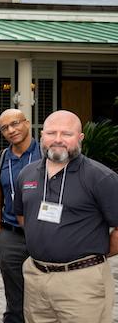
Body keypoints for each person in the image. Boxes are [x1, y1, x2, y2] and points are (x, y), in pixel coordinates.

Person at [15, 110, 118, 323]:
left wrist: (95, 254)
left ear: (80, 138)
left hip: (81, 283)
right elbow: (23, 217)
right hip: (36, 279)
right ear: (42, 135)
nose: (58, 139)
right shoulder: (27, 174)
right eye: (52, 133)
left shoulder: (100, 177)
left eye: (67, 134)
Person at [0, 109, 41, 323]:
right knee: (15, 301)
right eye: (5, 128)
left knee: (43, 296)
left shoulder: (46, 154)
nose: (11, 130)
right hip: (11, 236)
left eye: (15, 123)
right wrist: (0, 239)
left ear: (27, 123)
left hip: (44, 236)